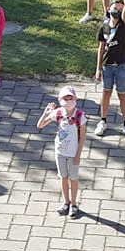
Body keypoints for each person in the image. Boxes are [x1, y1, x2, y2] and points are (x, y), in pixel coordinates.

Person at [37, 86, 87, 218]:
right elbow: (40, 125)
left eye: (71, 98)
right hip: (60, 152)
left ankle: (74, 204)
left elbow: (82, 138)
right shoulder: (58, 113)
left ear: (75, 99)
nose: (68, 100)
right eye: (66, 98)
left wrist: (78, 156)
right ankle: (66, 202)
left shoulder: (80, 116)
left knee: (73, 179)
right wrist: (46, 112)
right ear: (60, 100)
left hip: (73, 154)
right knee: (63, 177)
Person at [94, 0, 125, 139]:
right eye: (115, 7)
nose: (117, 10)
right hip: (107, 66)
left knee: (122, 94)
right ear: (108, 9)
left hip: (122, 66)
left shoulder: (123, 25)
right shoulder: (104, 27)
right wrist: (98, 68)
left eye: (120, 8)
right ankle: (103, 121)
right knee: (106, 93)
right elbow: (101, 48)